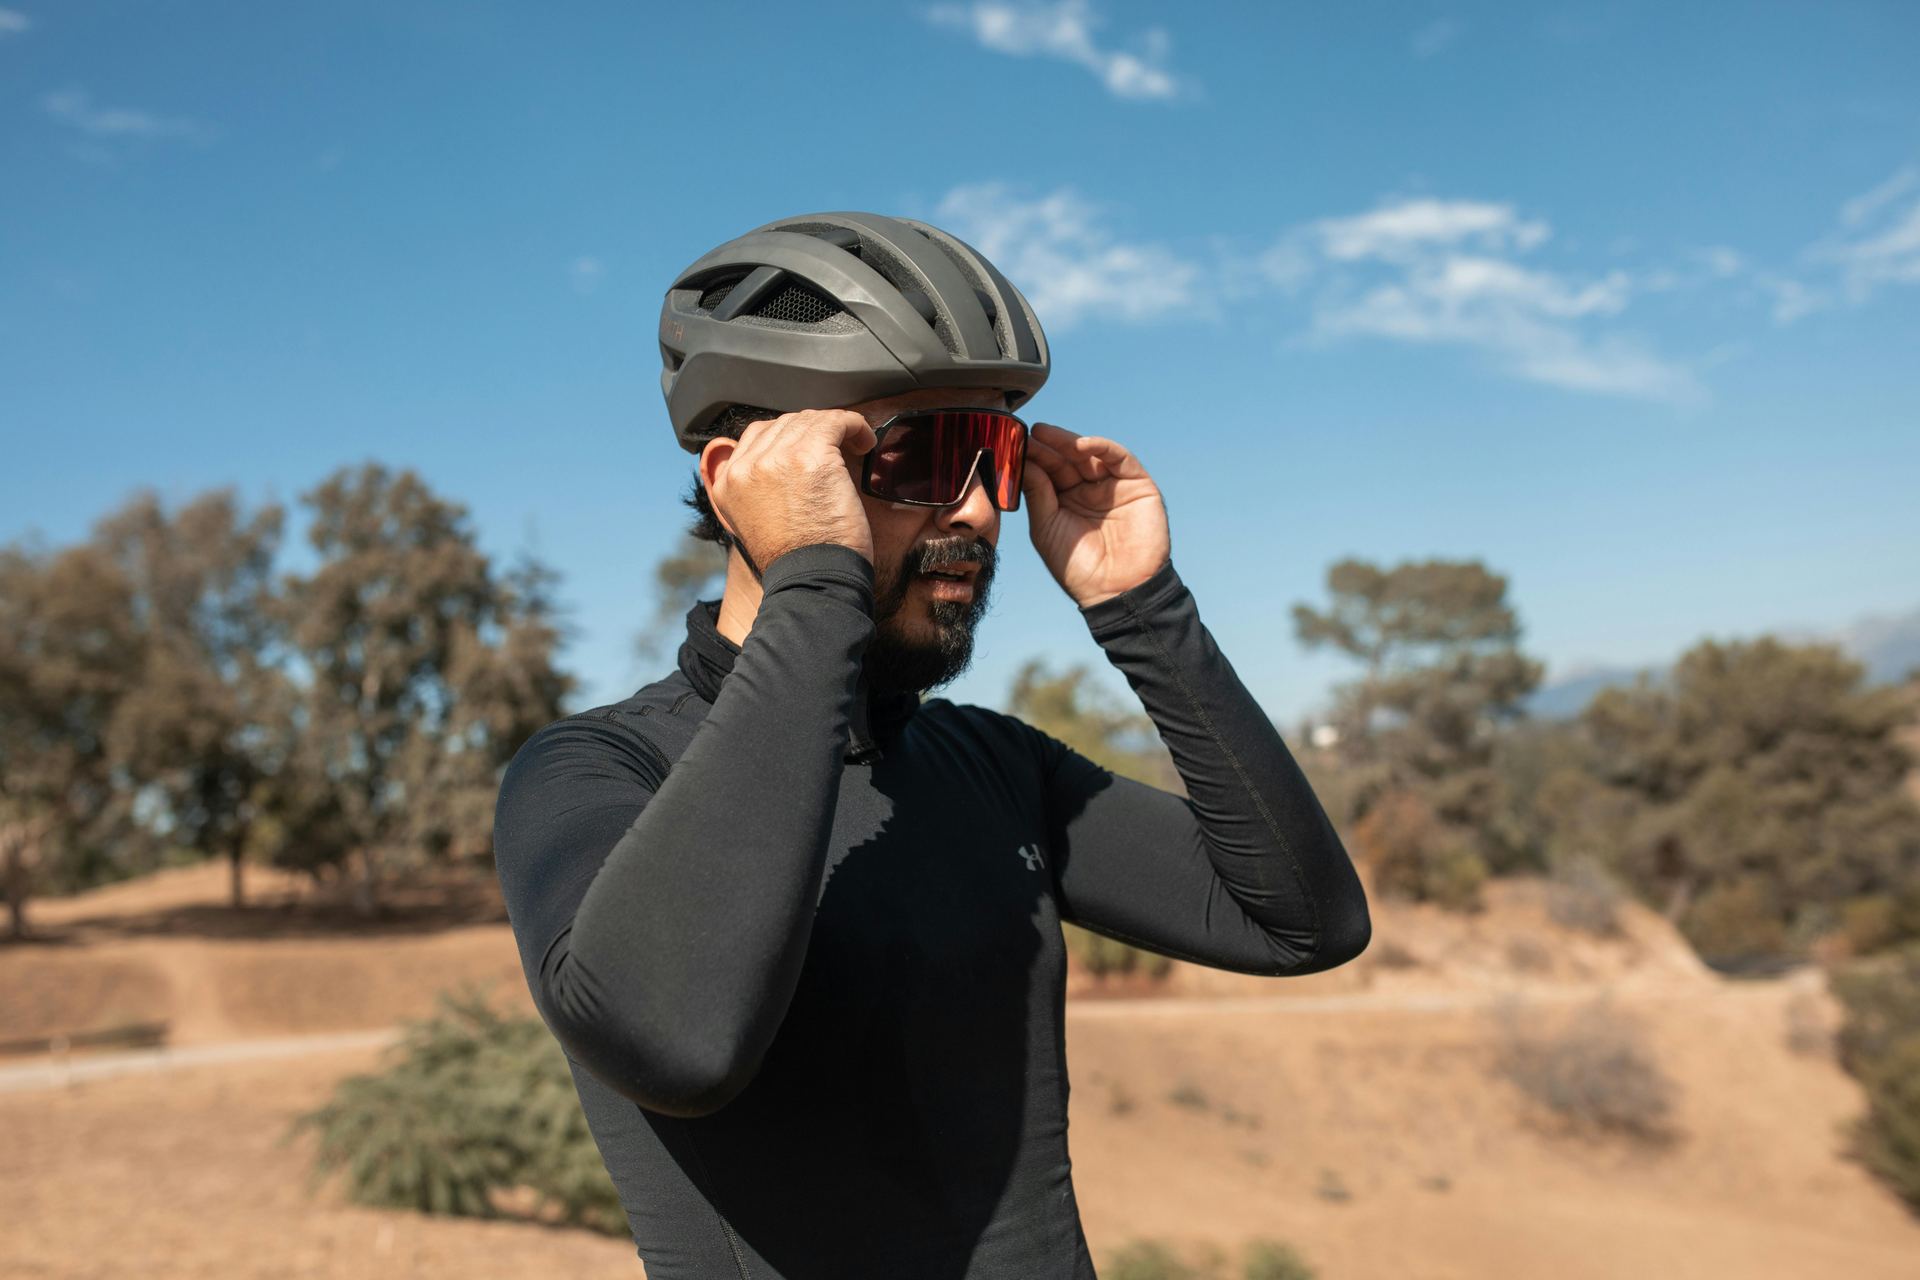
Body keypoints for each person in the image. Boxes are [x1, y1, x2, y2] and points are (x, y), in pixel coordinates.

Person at [491, 211, 1371, 1279]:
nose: (980, 510)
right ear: (742, 481)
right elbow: (679, 1041)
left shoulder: (993, 768)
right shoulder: (595, 774)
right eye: (917, 456)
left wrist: (1145, 609)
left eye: (993, 452)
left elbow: (1302, 921)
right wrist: (816, 578)